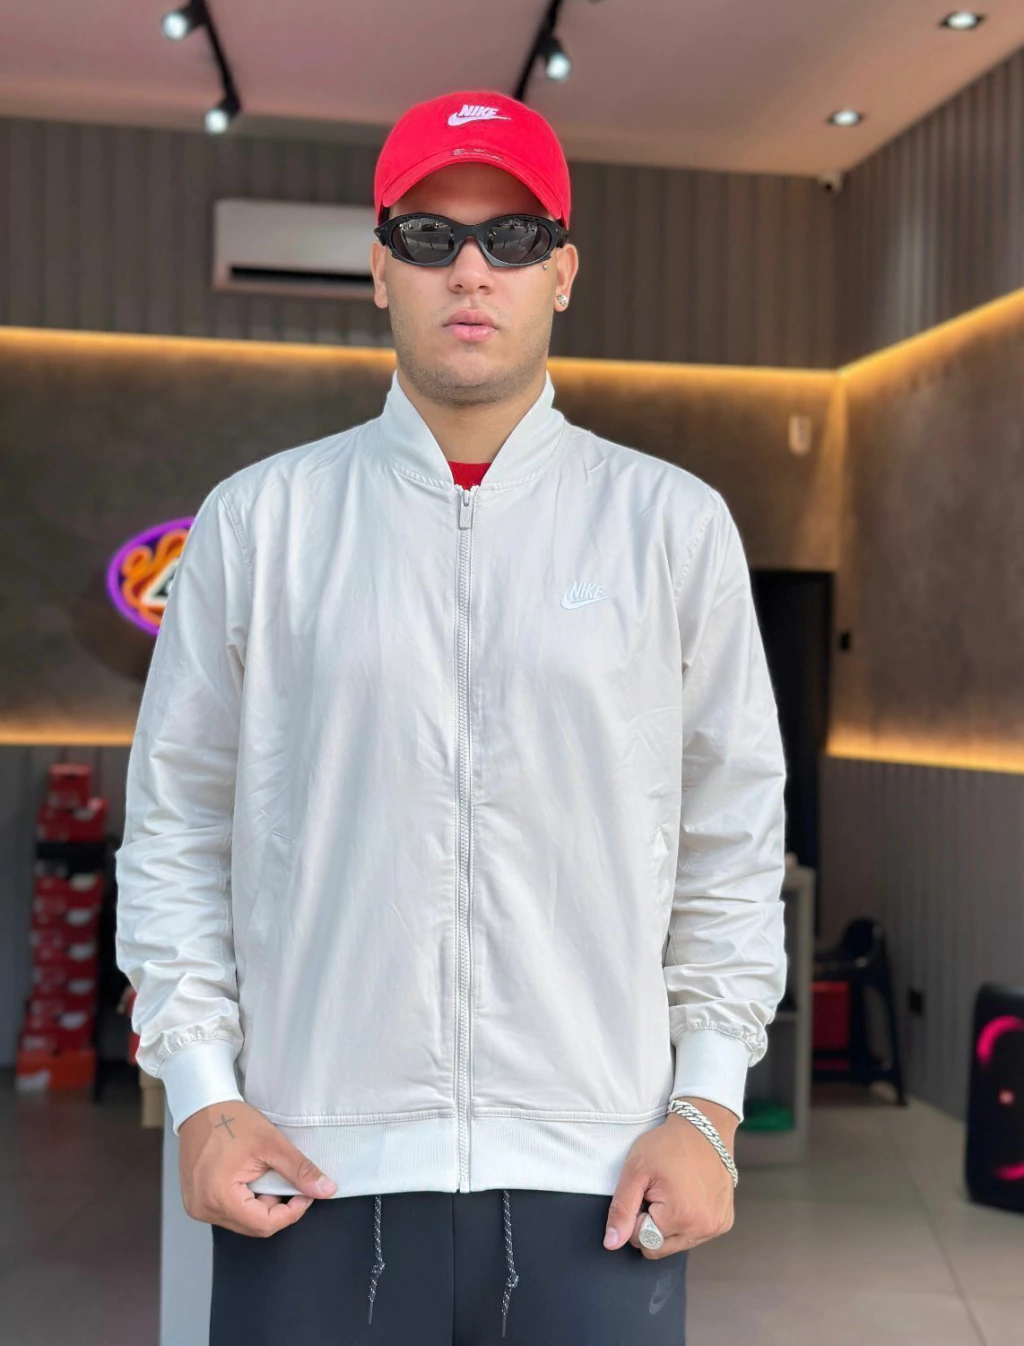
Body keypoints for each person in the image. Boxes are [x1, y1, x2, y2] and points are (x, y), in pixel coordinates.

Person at [115, 87, 788, 1346]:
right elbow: (176, 828)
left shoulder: (669, 525)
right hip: (310, 1164)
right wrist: (201, 1089)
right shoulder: (261, 523)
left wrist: (706, 1104)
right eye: (429, 237)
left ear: (562, 272)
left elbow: (729, 838)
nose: (470, 270)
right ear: (380, 269)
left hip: (601, 1173)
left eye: (511, 237)